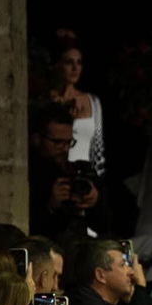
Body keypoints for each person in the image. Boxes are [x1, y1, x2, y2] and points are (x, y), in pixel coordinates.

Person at [29, 103, 107, 240]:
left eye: (69, 143)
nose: (65, 149)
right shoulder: (26, 175)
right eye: (58, 142)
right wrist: (51, 206)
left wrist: (95, 201)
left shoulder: (76, 171)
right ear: (37, 139)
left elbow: (104, 226)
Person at [49, 30, 107, 178]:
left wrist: (98, 178)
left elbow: (98, 145)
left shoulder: (92, 101)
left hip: (85, 173)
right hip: (55, 173)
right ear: (58, 65)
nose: (75, 68)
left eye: (79, 63)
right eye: (69, 62)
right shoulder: (48, 98)